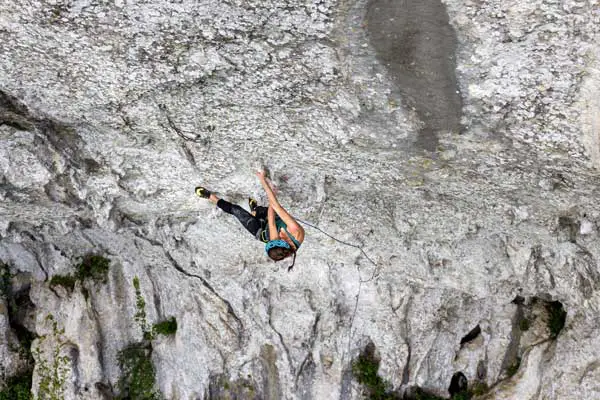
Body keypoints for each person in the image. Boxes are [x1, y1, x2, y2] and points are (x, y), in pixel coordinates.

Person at [195, 171, 305, 270]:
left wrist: (268, 189)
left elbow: (271, 223)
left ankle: (211, 197)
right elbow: (274, 211)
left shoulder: (274, 242)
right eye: (276, 239)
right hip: (274, 221)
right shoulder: (295, 231)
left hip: (262, 233)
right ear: (281, 243)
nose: (277, 237)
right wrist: (269, 188)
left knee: (237, 211)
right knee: (261, 212)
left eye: (274, 239)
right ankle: (256, 211)